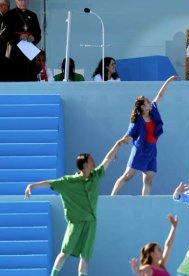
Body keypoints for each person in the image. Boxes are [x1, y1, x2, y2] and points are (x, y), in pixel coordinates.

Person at [24, 138, 126, 276]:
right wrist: (32, 186)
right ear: (84, 164)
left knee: (85, 257)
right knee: (65, 252)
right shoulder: (68, 182)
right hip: (76, 222)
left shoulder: (95, 176)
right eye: (90, 160)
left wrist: (117, 145)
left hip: (91, 222)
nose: (93, 162)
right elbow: (50, 183)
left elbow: (107, 159)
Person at [111, 75, 177, 196]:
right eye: (147, 102)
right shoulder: (137, 120)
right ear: (142, 107)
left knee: (148, 179)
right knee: (127, 176)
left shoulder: (153, 113)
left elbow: (160, 96)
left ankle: (144, 202)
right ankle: (112, 197)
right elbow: (128, 136)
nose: (150, 102)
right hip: (140, 150)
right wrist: (115, 150)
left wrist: (169, 80)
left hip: (152, 150)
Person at [3, 0, 41, 81]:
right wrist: (19, 36)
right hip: (14, 54)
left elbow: (38, 33)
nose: (23, 2)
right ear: (16, 1)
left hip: (29, 54)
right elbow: (4, 33)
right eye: (20, 0)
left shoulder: (33, 15)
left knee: (29, 78)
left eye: (25, 0)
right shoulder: (9, 15)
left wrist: (33, 37)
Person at [0, 0, 10, 82]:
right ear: (1, 6)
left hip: (6, 53)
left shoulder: (6, 17)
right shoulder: (3, 19)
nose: (8, 9)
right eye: (8, 6)